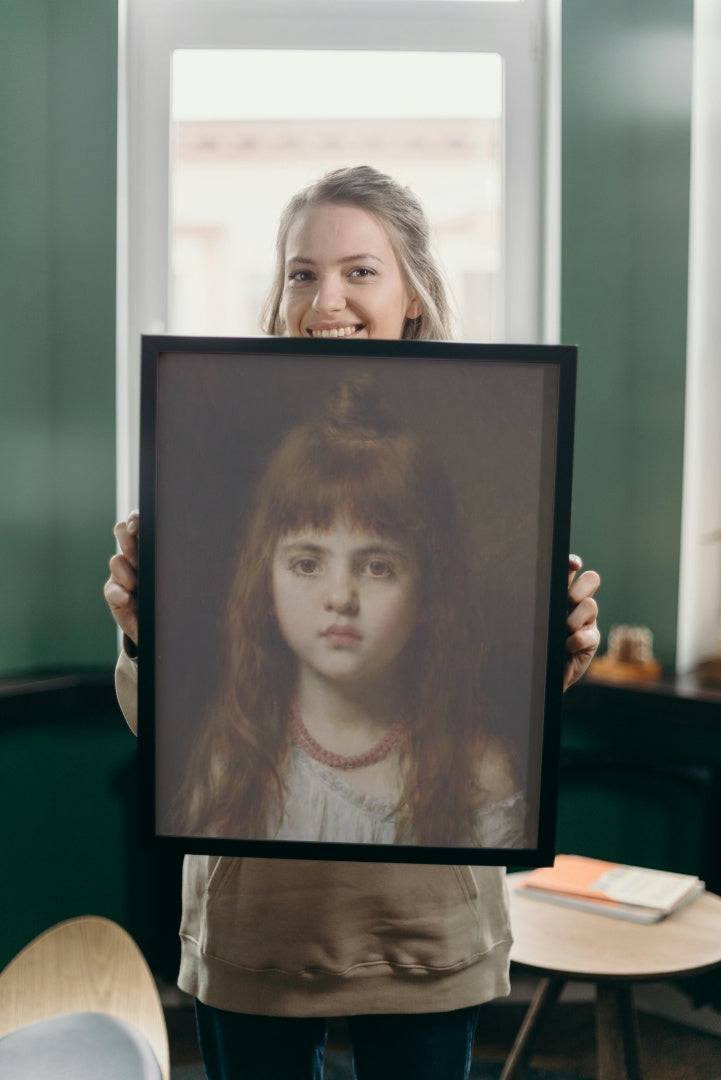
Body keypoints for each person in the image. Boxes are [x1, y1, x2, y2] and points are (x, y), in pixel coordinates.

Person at [105, 165, 601, 1080]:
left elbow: (505, 714)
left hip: (422, 931)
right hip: (258, 930)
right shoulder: (203, 431)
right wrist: (143, 634)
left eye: (359, 271)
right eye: (301, 272)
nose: (324, 297)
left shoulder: (493, 428)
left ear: (413, 290)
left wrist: (555, 652)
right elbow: (167, 734)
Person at [169, 374, 527, 849]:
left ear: (427, 594)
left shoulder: (477, 773)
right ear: (266, 582)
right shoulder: (233, 760)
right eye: (307, 563)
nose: (340, 596)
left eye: (378, 567)